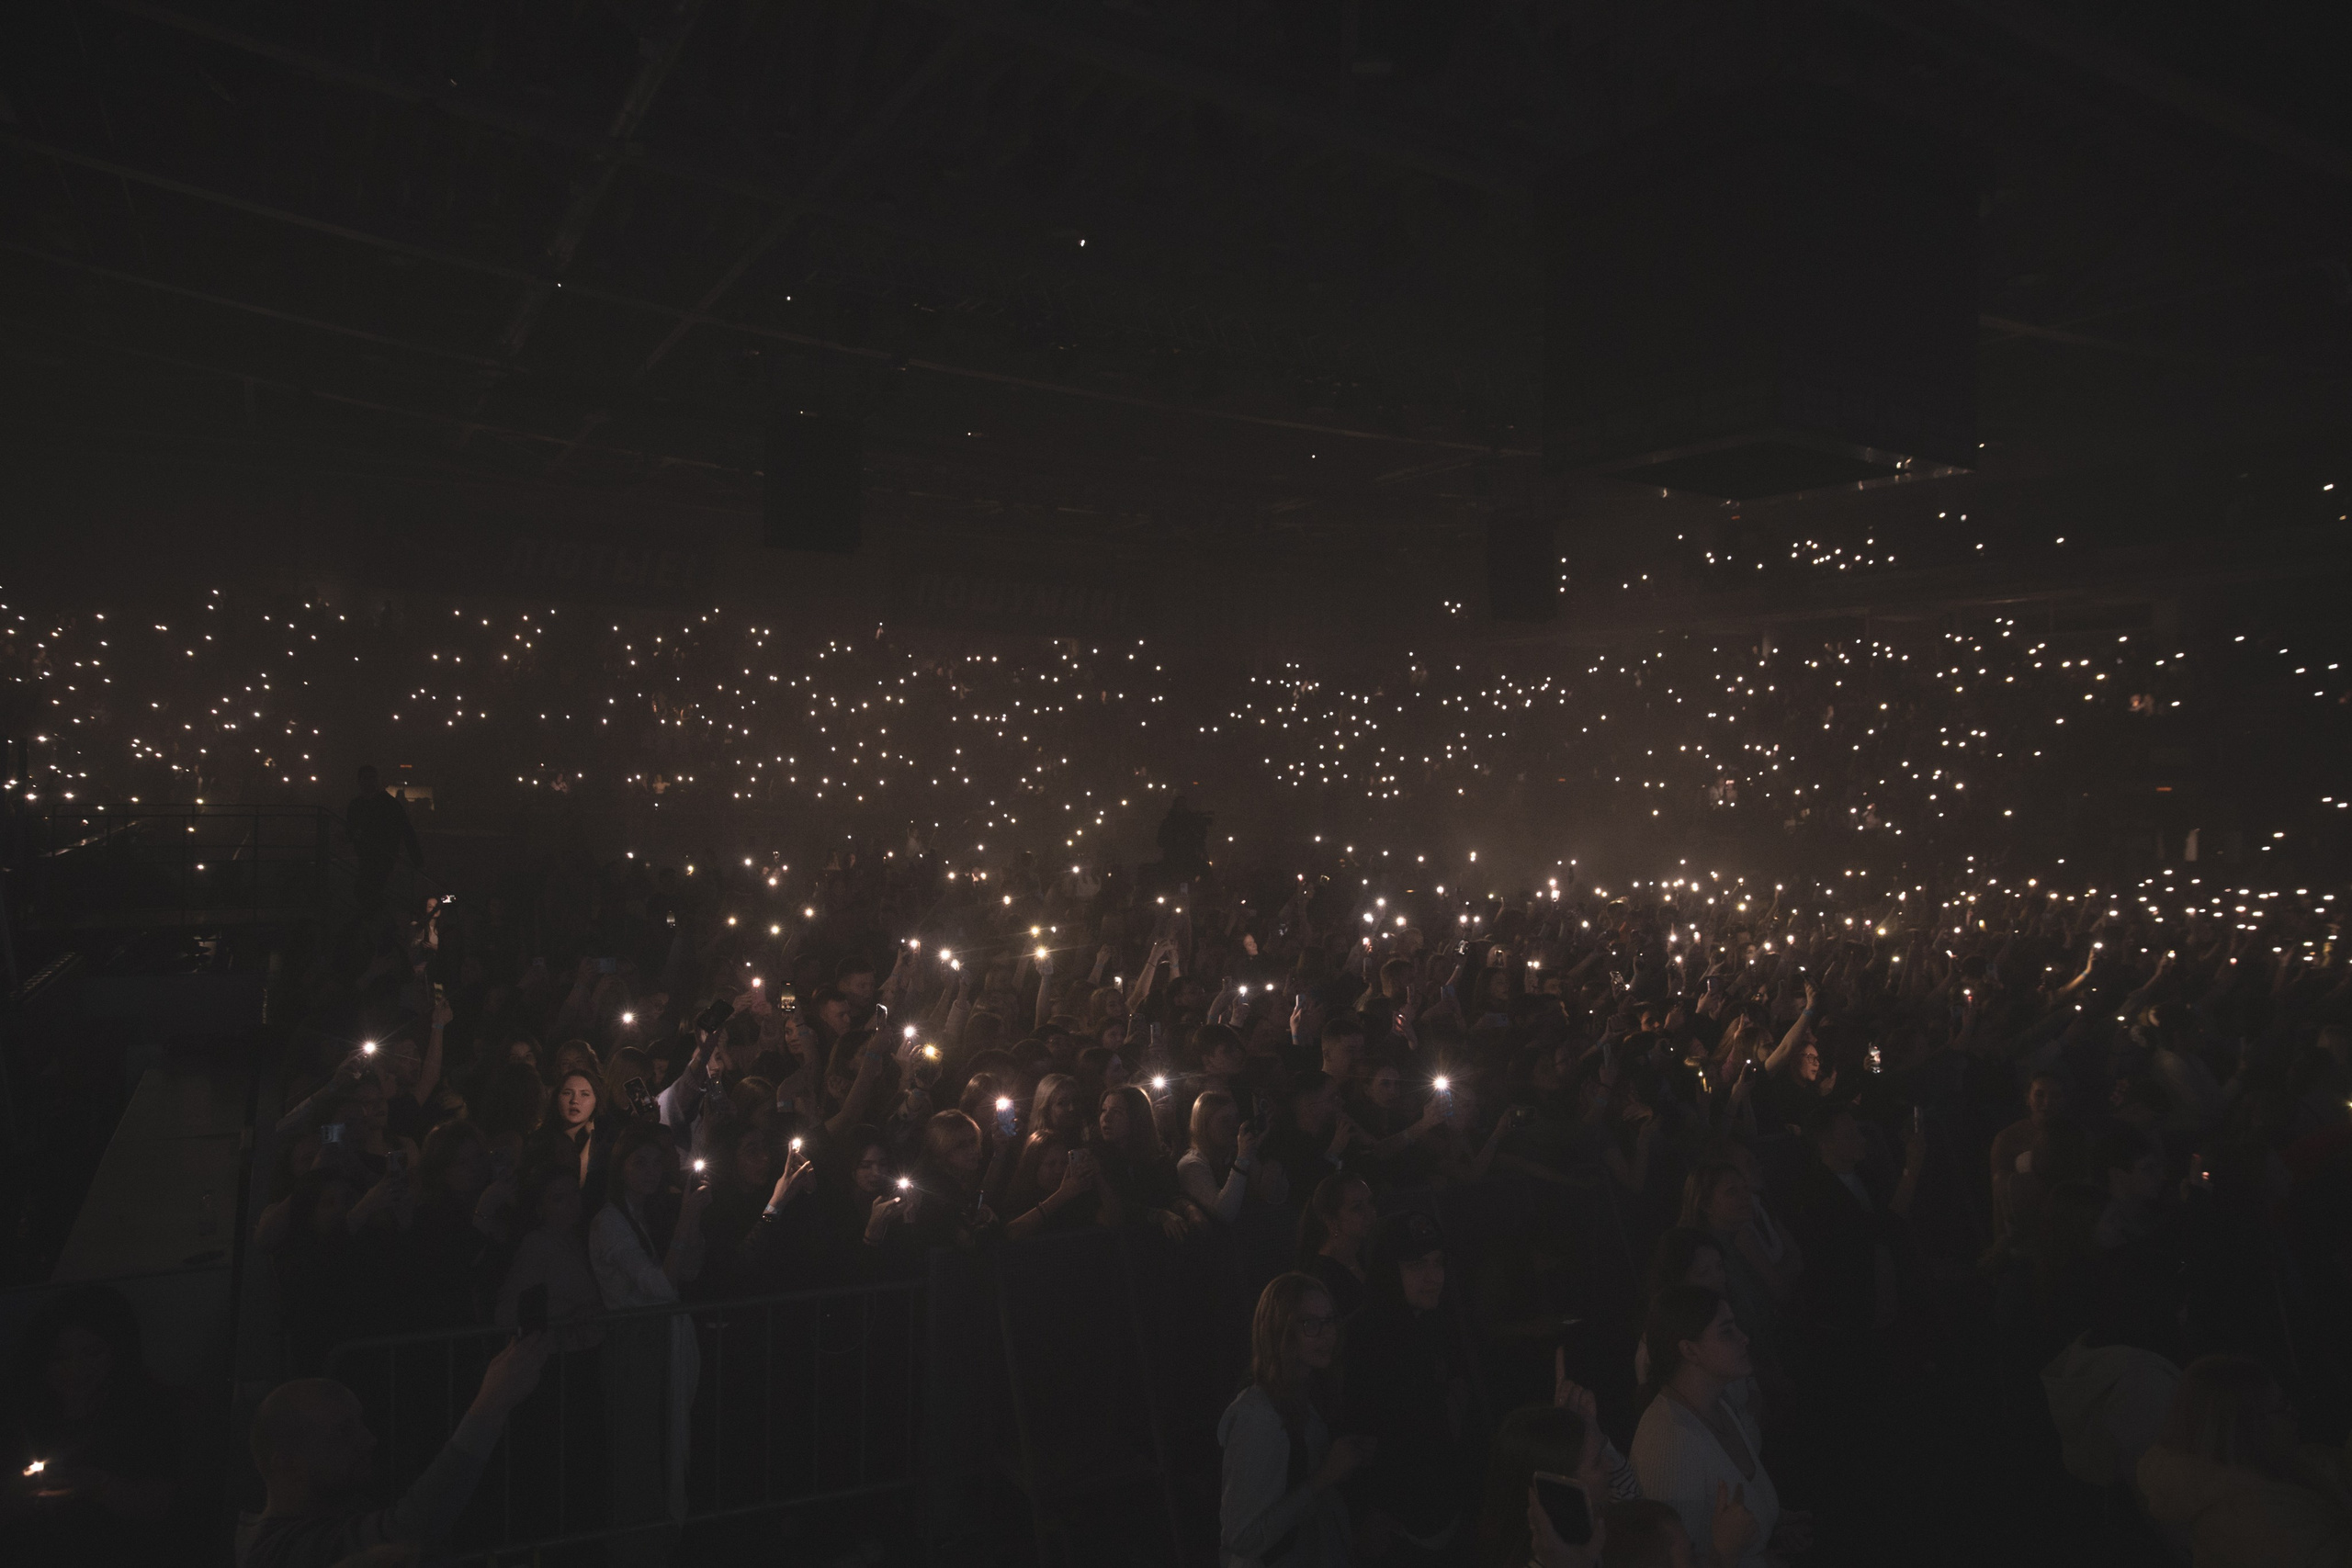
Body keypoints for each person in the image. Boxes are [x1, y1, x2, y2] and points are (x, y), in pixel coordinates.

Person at [234, 1335, 549, 1568]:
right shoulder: (277, 1555)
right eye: (343, 1432)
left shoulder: (337, 1509)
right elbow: (407, 1530)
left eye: (361, 1424)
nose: (369, 1440)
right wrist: (491, 1404)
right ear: (288, 1465)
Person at [588, 1121, 708, 1562]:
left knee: (662, 1449)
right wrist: (688, 1218)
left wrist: (690, 1223)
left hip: (656, 1344)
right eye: (641, 1163)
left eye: (659, 1163)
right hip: (631, 1349)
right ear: (620, 1167)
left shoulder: (646, 1216)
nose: (652, 1172)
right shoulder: (608, 1223)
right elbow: (659, 1285)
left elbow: (689, 1271)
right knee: (637, 1456)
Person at [1, 1286, 188, 1561]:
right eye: (61, 1357)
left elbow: (163, 1507)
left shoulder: (149, 1409)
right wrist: (15, 1496)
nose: (76, 1370)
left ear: (116, 1352)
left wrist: (96, 1486)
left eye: (92, 1353)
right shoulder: (20, 1412)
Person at [1340, 1212, 1480, 1562]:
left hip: (1440, 1512)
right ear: (1390, 1269)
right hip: (1397, 1530)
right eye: (1418, 1265)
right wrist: (1368, 1514)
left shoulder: (1431, 1321)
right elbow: (1356, 1434)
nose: (1434, 1277)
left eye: (1438, 1263)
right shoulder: (1363, 1338)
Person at [2137, 1354, 2352, 1568]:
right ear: (2245, 1428)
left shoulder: (2247, 1485)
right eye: (2282, 1407)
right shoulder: (2261, 1519)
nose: (2295, 1413)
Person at [1216, 1273, 1372, 1568]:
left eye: (1330, 1321)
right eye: (1311, 1324)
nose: (1327, 1334)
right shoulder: (1257, 1415)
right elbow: (1243, 1538)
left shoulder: (1311, 1391)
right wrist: (1325, 1476)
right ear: (1280, 1330)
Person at [1628, 1286, 1780, 1568]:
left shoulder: (1716, 1404)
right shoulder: (1670, 1443)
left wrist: (1774, 1525)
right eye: (1727, 1331)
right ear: (1689, 1350)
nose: (1744, 1339)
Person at [1295, 1173, 1376, 1323]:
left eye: (1370, 1202)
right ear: (1331, 1221)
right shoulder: (1323, 1277)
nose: (1370, 1212)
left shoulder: (1367, 1255)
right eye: (1357, 1207)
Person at [345, 764, 424, 917]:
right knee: (370, 891)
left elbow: (406, 830)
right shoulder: (384, 804)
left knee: (366, 890)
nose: (369, 782)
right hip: (374, 855)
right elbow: (407, 831)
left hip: (380, 855)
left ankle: (376, 922)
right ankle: (378, 923)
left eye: (371, 779)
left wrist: (417, 859)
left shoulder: (361, 805)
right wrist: (417, 860)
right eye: (367, 779)